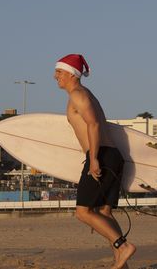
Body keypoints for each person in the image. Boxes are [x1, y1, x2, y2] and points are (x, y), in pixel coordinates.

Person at [54, 54, 136, 269]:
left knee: (82, 212)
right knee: (103, 213)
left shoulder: (78, 95)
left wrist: (93, 159)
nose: (55, 76)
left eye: (59, 72)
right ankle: (122, 261)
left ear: (72, 73)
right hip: (112, 155)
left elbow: (94, 126)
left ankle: (123, 246)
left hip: (101, 155)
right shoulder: (84, 94)